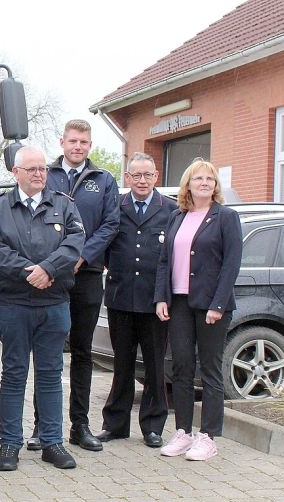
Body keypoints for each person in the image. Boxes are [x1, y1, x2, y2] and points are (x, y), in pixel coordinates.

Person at [0, 145, 85, 471]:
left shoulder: (64, 206)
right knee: (14, 374)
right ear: (15, 172)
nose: (40, 174)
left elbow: (74, 243)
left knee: (51, 374)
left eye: (43, 168)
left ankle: (52, 442)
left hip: (54, 303)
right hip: (15, 304)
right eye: (32, 169)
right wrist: (33, 273)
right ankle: (9, 443)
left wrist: (49, 269)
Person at [29, 119, 118, 453]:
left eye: (84, 142)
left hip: (87, 275)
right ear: (62, 142)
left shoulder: (104, 180)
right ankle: (42, 426)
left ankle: (80, 425)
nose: (78, 147)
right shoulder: (45, 175)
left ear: (89, 145)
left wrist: (81, 256)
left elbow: (111, 225)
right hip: (50, 276)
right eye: (72, 141)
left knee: (82, 352)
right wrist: (55, 262)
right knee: (48, 352)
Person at [155, 158, 242, 461]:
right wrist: (161, 297)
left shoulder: (225, 217)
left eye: (210, 179)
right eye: (198, 179)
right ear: (188, 184)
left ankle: (208, 436)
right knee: (180, 366)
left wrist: (218, 304)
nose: (204, 183)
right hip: (178, 302)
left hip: (210, 306)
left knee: (209, 369)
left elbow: (231, 264)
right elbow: (165, 261)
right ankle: (183, 432)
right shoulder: (177, 217)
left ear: (215, 186)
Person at [96, 153, 175, 448]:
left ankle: (153, 426)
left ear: (156, 177)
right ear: (127, 178)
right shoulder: (116, 207)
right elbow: (105, 247)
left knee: (154, 366)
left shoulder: (170, 210)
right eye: (136, 176)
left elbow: (173, 257)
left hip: (155, 302)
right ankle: (115, 424)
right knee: (122, 365)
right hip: (120, 298)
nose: (142, 181)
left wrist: (163, 296)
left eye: (148, 175)